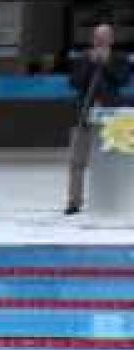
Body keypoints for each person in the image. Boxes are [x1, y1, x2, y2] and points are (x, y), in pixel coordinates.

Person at [65, 23, 131, 215]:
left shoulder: (120, 58)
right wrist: (90, 63)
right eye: (97, 37)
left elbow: (123, 79)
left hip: (111, 119)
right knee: (77, 161)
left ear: (111, 39)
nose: (100, 41)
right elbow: (74, 82)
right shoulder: (83, 58)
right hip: (85, 115)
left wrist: (106, 63)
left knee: (110, 160)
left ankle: (111, 199)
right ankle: (74, 201)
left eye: (104, 37)